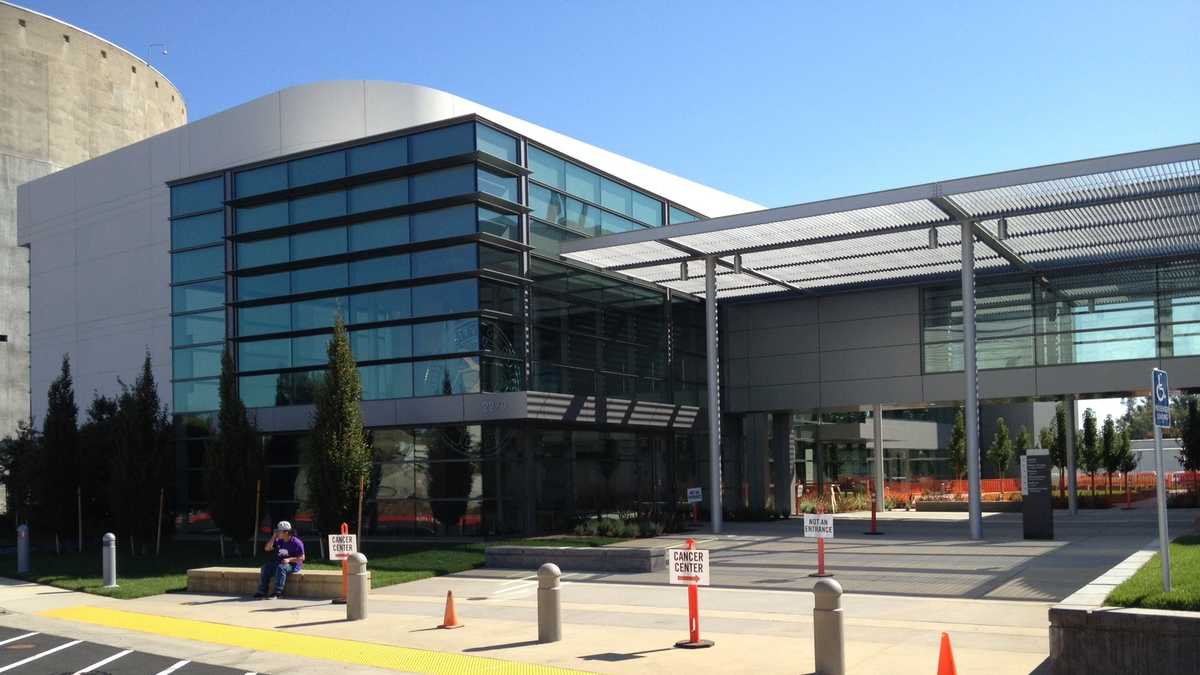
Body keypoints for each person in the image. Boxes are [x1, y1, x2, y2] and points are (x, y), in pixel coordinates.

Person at [255, 520, 305, 599]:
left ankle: (278, 593)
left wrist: (289, 560)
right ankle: (262, 591)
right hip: (279, 563)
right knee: (265, 567)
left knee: (281, 568)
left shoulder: (297, 543)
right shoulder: (279, 540)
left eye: (279, 531)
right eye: (277, 531)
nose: (277, 532)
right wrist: (273, 537)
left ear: (286, 532)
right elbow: (267, 548)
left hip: (293, 565)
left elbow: (302, 558)